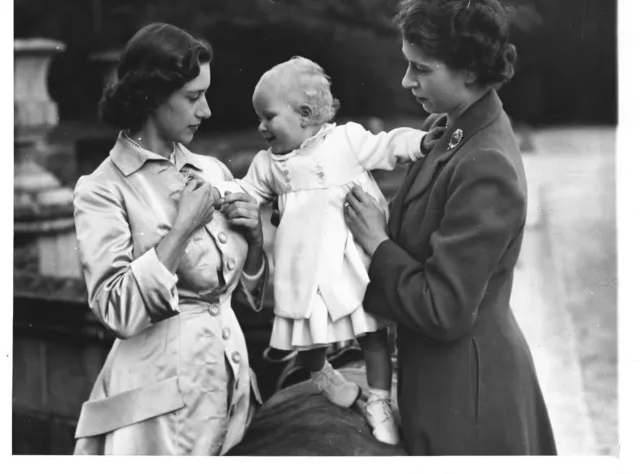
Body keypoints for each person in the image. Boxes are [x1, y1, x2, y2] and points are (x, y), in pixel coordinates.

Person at [344, 0, 558, 455]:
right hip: (441, 383)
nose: (406, 81)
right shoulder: (450, 129)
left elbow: (444, 309)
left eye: (421, 69)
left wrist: (377, 244)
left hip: (469, 401)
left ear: (468, 70)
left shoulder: (487, 164)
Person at [212, 56, 444, 446]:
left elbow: (387, 145)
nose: (261, 127)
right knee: (305, 332)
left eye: (268, 117)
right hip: (304, 266)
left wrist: (419, 143)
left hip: (349, 257)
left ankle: (379, 400)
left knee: (372, 332)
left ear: (304, 114)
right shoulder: (268, 165)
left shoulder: (346, 141)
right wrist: (220, 192)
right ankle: (320, 374)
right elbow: (246, 190)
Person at [72, 23, 269, 455]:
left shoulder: (214, 171)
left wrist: (255, 240)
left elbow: (243, 295)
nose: (207, 112)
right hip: (155, 419)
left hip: (229, 392)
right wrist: (180, 230)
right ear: (152, 95)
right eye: (194, 97)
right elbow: (115, 311)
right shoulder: (103, 189)